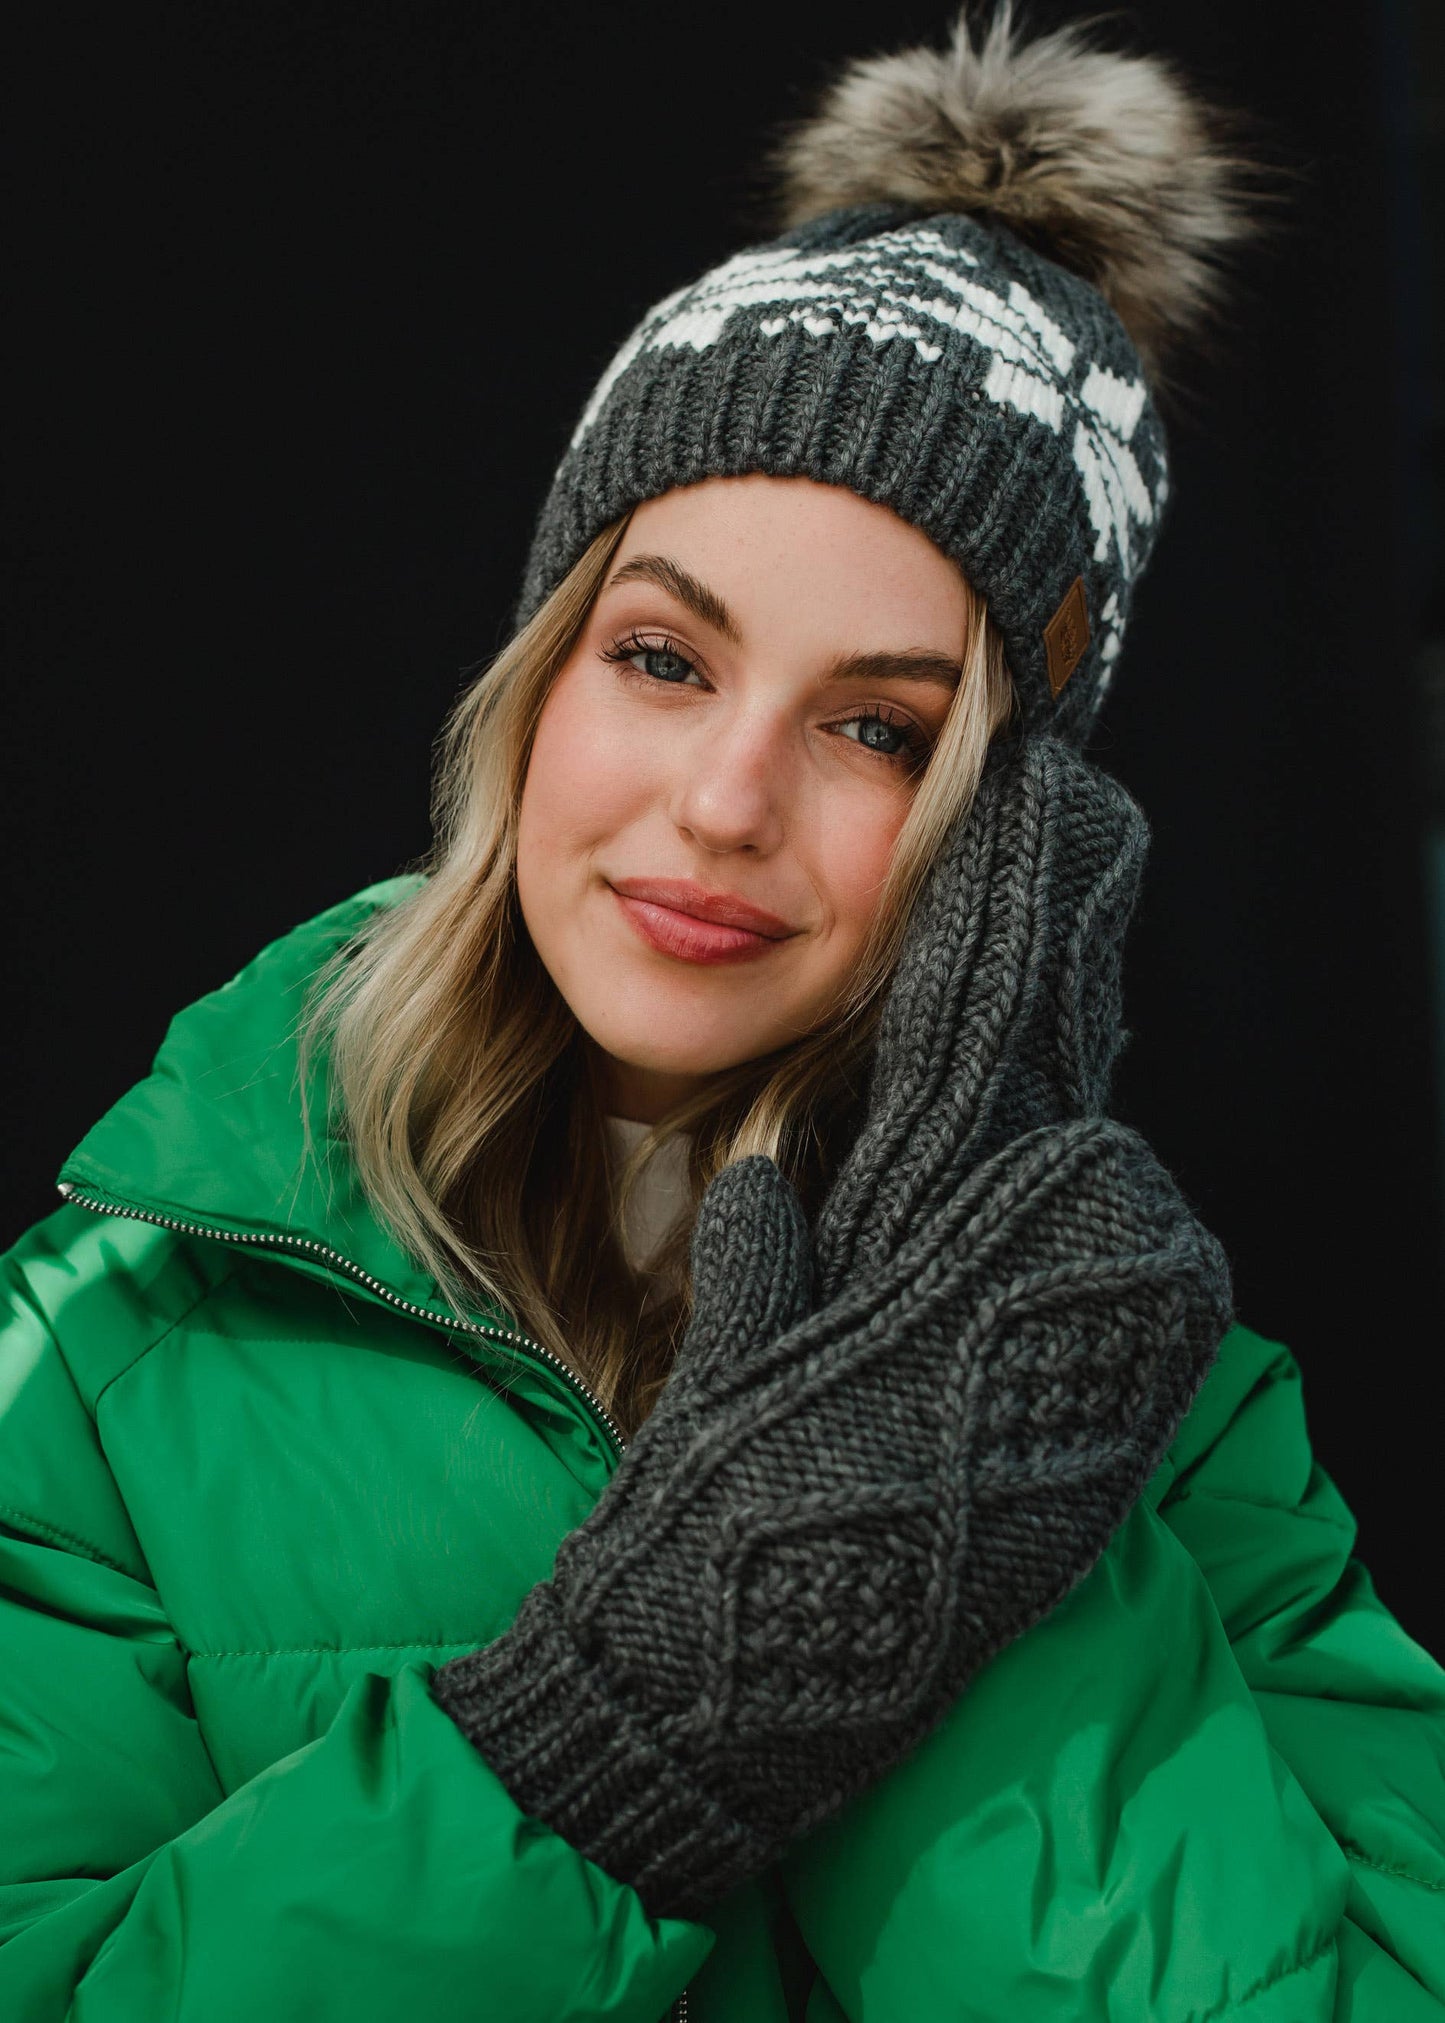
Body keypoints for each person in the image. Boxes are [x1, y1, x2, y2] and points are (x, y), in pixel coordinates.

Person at [2, 7, 1442, 2019]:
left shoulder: (1184, 1421)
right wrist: (632, 1731)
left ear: (1012, 837)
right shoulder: (102, 1357)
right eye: (665, 657)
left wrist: (967, 1447)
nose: (724, 800)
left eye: (877, 725)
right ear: (542, 680)